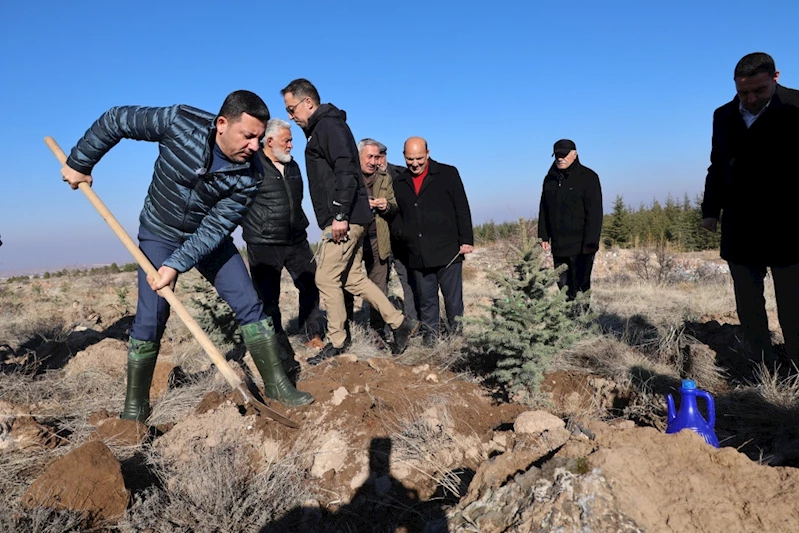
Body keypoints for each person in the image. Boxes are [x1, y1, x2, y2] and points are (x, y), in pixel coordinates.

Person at [60, 91, 313, 422]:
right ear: (222, 124)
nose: (255, 146)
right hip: (159, 232)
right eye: (248, 136)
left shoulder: (252, 174)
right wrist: (81, 162)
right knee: (151, 318)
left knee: (250, 304)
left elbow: (216, 225)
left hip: (208, 239)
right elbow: (116, 120)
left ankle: (278, 384)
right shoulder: (179, 122)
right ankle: (135, 408)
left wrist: (176, 265)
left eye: (259, 138)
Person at [281, 79, 419, 363]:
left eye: (292, 109)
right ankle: (399, 322)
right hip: (349, 216)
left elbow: (346, 169)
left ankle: (338, 340)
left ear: (308, 102)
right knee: (354, 278)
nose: (290, 116)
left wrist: (339, 215)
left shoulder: (328, 126)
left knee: (325, 278)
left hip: (344, 218)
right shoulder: (321, 128)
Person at [701, 52, 799, 363]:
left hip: (790, 225)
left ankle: (797, 368)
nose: (750, 98)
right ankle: (760, 366)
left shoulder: (797, 107)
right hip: (740, 224)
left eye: (759, 90)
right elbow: (717, 165)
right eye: (743, 91)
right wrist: (709, 211)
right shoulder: (723, 115)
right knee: (749, 304)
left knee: (794, 305)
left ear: (776, 78)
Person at [241, 118, 325, 376]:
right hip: (264, 243)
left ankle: (311, 333)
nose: (291, 144)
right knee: (269, 299)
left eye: (291, 140)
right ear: (269, 142)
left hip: (296, 239)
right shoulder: (251, 166)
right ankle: (277, 343)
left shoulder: (293, 166)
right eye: (286, 140)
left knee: (310, 283)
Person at [392, 137, 473, 343]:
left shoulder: (448, 173)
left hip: (448, 251)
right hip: (418, 253)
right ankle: (431, 338)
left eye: (419, 158)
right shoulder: (399, 182)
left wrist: (466, 239)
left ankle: (456, 338)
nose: (415, 163)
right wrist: (404, 235)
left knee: (453, 301)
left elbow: (461, 207)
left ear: (428, 153)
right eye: (410, 159)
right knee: (426, 300)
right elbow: (398, 215)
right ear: (404, 156)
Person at [537, 139, 603, 304]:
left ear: (575, 154)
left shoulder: (588, 177)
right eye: (557, 155)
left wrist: (591, 243)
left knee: (581, 286)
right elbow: (544, 208)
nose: (561, 158)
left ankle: (583, 320)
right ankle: (568, 321)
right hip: (559, 244)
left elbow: (595, 213)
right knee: (564, 286)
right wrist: (543, 235)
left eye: (564, 155)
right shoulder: (549, 180)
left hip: (582, 245)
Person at [356, 138, 398, 337]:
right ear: (359, 157)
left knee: (379, 287)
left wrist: (386, 206)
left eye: (377, 157)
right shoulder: (350, 177)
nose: (373, 161)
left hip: (377, 240)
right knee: (347, 285)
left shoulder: (384, 178)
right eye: (369, 157)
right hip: (354, 241)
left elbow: (394, 206)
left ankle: (377, 332)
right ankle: (347, 328)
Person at [375, 141, 418, 320]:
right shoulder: (364, 178)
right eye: (374, 157)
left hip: (402, 240)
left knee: (410, 283)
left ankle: (413, 323)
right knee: (378, 286)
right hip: (377, 240)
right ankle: (382, 329)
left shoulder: (403, 174)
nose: (378, 161)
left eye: (381, 156)